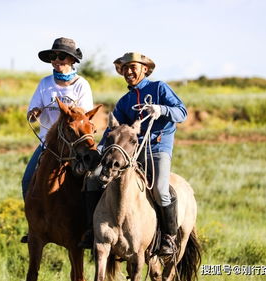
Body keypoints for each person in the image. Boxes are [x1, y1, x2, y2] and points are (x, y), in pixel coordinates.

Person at [79, 52, 187, 257]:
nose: (129, 72)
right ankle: (92, 231)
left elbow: (182, 112)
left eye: (133, 67)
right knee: (93, 179)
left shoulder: (160, 88)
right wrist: (101, 149)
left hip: (157, 149)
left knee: (160, 189)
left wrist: (161, 109)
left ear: (144, 69)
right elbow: (114, 132)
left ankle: (168, 238)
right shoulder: (124, 101)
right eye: (125, 68)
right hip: (130, 154)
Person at [20, 38, 94, 243]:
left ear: (71, 59)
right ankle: (34, 226)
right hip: (48, 144)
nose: (56, 60)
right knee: (28, 180)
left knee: (90, 181)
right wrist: (34, 113)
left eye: (61, 56)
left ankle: (89, 228)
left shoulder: (82, 85)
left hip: (74, 145)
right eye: (53, 57)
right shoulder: (45, 84)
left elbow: (85, 116)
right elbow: (31, 110)